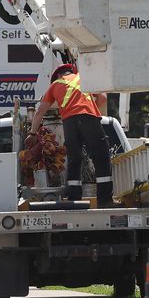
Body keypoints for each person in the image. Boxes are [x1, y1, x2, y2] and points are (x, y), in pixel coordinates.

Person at [28, 62, 114, 207]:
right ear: (71, 71)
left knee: (74, 158)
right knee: (102, 157)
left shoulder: (54, 86)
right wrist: (91, 106)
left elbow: (39, 112)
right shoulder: (84, 78)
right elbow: (103, 98)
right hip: (88, 117)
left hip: (69, 122)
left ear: (58, 76)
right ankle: (105, 200)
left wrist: (32, 133)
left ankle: (74, 198)